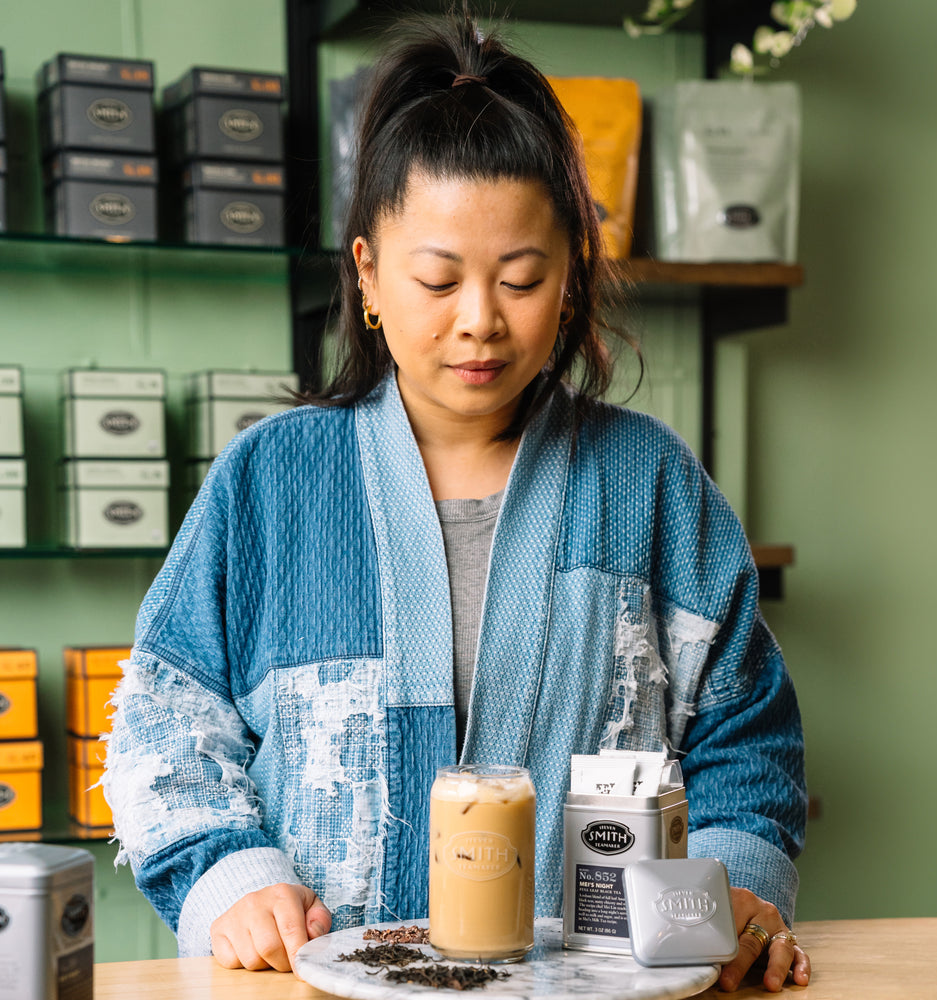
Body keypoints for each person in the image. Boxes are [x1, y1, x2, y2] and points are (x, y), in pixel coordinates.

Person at [103, 9, 809, 993]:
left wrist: (735, 883)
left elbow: (745, 730)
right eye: (437, 279)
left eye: (520, 278)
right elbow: (166, 718)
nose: (478, 320)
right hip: (308, 983)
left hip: (600, 985)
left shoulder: (648, 481)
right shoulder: (270, 480)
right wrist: (231, 873)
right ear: (369, 278)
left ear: (568, 279)